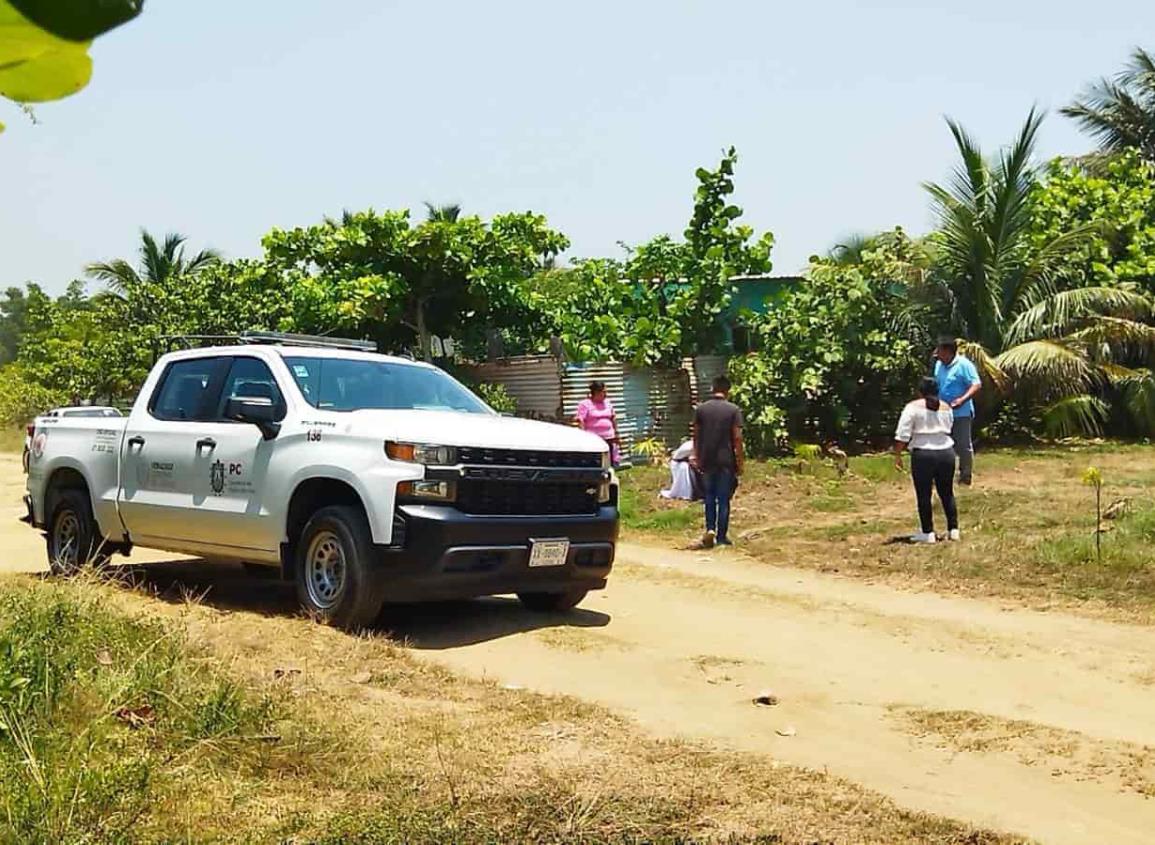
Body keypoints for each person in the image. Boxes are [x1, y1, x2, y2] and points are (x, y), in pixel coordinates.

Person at [894, 377, 959, 544]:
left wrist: (898, 454)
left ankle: (927, 532)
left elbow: (903, 434)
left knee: (924, 493)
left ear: (919, 391)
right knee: (947, 492)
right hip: (946, 452)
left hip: (923, 453)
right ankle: (953, 529)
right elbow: (950, 428)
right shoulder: (946, 407)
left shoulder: (912, 407)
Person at [691, 375, 744, 548]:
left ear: (713, 388)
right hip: (726, 460)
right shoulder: (733, 410)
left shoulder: (701, 409)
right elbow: (737, 438)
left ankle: (710, 528)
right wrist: (740, 461)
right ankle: (721, 536)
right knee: (723, 498)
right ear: (728, 390)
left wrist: (697, 457)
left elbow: (696, 436)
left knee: (709, 496)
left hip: (707, 459)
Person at [933, 336, 982, 485]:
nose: (936, 353)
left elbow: (976, 384)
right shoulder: (938, 365)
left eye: (939, 350)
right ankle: (942, 475)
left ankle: (965, 476)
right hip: (942, 412)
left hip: (961, 413)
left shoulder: (964, 365)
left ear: (948, 351)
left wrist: (962, 399)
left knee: (963, 445)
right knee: (941, 444)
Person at [575, 381, 620, 465]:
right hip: (594, 438)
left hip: (609, 437)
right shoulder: (585, 404)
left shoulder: (607, 402)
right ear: (596, 392)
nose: (606, 394)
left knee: (610, 460)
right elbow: (581, 420)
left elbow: (613, 417)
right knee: (596, 461)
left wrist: (616, 432)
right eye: (604, 392)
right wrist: (584, 436)